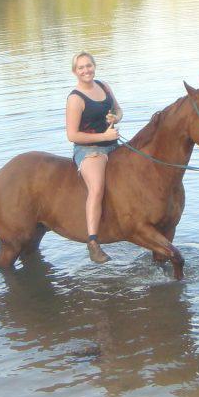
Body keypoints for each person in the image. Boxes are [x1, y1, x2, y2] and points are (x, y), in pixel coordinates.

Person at [65, 52, 122, 263]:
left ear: (94, 66)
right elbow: (72, 135)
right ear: (75, 72)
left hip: (113, 145)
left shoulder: (104, 86)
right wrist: (104, 136)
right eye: (81, 68)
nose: (86, 70)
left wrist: (115, 117)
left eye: (88, 66)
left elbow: (118, 110)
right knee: (97, 187)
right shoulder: (75, 99)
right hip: (89, 150)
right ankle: (93, 242)